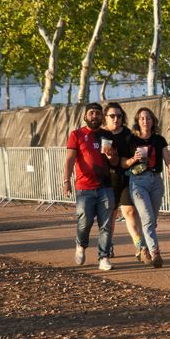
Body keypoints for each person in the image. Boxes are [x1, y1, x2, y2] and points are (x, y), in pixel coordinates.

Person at [120, 107, 170, 268]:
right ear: (138, 121)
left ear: (153, 121)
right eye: (142, 118)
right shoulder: (131, 140)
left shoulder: (159, 140)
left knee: (151, 220)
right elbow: (123, 163)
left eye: (149, 118)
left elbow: (167, 158)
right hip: (138, 181)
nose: (146, 121)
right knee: (148, 218)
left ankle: (142, 247)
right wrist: (133, 158)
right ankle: (155, 252)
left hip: (156, 181)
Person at [62, 103, 115, 271]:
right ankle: (80, 245)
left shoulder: (107, 135)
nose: (95, 116)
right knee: (84, 222)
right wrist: (66, 181)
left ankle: (104, 257)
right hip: (84, 187)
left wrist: (111, 156)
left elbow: (113, 162)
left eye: (98, 114)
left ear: (102, 117)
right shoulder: (76, 134)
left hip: (105, 186)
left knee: (106, 224)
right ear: (85, 116)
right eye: (91, 113)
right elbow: (70, 159)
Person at [101, 103, 145, 261]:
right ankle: (107, 245)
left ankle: (139, 245)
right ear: (105, 117)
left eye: (119, 116)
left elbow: (137, 156)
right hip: (106, 180)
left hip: (125, 178)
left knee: (130, 212)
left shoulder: (128, 134)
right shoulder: (100, 134)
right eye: (112, 116)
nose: (115, 119)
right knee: (110, 215)